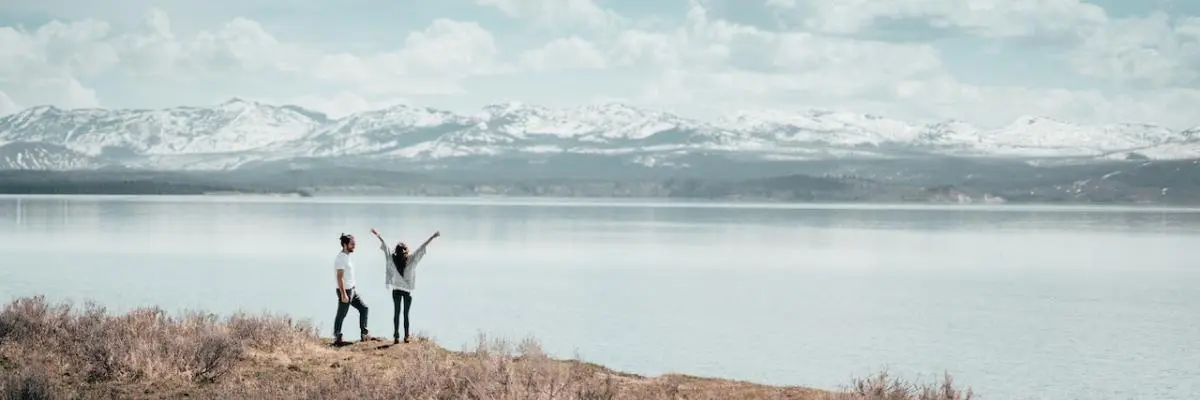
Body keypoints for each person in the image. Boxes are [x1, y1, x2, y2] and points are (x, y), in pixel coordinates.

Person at [370, 228, 440, 344]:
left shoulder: (392, 259)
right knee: (406, 315)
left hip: (396, 291)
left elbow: (386, 247)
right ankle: (406, 336)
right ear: (406, 251)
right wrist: (433, 237)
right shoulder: (412, 260)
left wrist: (378, 235)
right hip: (407, 292)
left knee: (396, 313)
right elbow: (422, 247)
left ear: (396, 251)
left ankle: (396, 336)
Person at [332, 232, 375, 345]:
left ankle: (364, 334)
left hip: (351, 290)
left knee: (364, 308)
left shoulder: (347, 257)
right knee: (341, 314)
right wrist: (343, 294)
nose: (354, 246)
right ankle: (337, 336)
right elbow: (339, 277)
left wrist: (352, 289)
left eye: (354, 244)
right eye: (352, 244)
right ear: (345, 245)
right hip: (345, 291)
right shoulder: (341, 258)